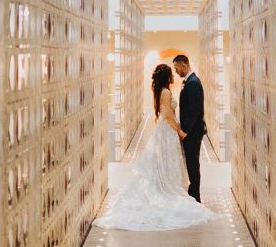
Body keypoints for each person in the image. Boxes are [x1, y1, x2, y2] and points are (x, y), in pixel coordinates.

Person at [92, 63, 218, 231]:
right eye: (172, 71)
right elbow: (167, 114)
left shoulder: (162, 91)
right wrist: (179, 130)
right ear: (167, 77)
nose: (175, 73)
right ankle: (168, 188)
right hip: (169, 130)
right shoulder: (166, 92)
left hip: (166, 130)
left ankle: (169, 185)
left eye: (176, 69)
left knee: (166, 160)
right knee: (167, 159)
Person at [172, 54, 206, 202]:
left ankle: (195, 196)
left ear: (183, 65)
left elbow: (194, 111)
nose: (176, 71)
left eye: (176, 68)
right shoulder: (190, 81)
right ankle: (193, 193)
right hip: (190, 132)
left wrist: (185, 131)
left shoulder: (193, 83)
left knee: (193, 163)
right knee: (191, 162)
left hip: (192, 133)